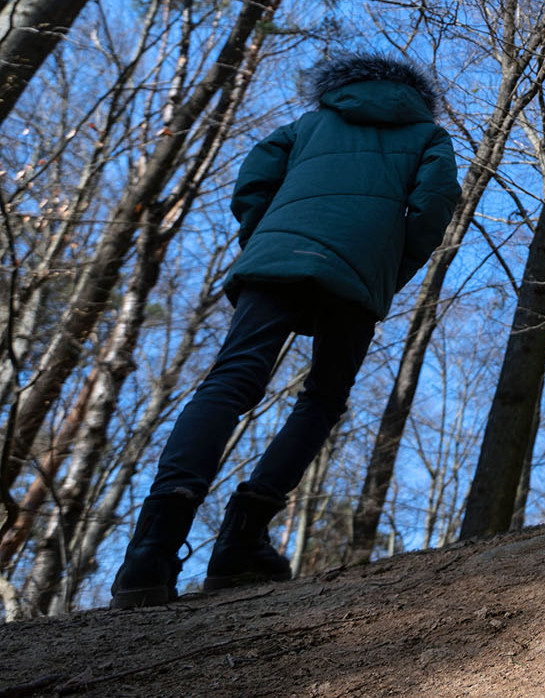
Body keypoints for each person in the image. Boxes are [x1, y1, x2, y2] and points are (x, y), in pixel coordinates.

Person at [111, 53, 461, 608]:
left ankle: (149, 551)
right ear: (418, 96)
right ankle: (242, 539)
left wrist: (265, 237)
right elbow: (435, 203)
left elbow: (255, 176)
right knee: (322, 398)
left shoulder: (310, 123)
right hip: (359, 268)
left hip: (276, 255)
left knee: (228, 381)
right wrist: (389, 268)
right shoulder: (428, 135)